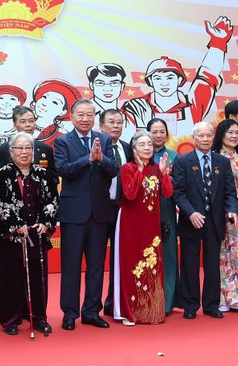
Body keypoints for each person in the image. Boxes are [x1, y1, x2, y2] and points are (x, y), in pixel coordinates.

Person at [54, 99, 119, 331]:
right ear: (71, 117)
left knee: (96, 266)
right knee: (71, 265)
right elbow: (62, 170)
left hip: (100, 213)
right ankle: (69, 313)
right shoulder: (62, 141)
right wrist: (88, 159)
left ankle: (91, 311)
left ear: (94, 118)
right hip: (73, 214)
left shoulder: (104, 140)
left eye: (89, 115)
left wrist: (101, 158)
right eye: (80, 115)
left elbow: (114, 171)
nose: (85, 119)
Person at [0, 132, 58, 335]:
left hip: (36, 235)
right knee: (10, 278)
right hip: (10, 236)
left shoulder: (41, 173)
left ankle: (38, 317)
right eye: (20, 148)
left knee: (38, 278)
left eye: (28, 148)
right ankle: (10, 319)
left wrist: (46, 222)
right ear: (11, 151)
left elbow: (52, 199)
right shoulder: (3, 173)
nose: (25, 152)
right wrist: (16, 224)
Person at [173, 121, 237, 319]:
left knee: (212, 264)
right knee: (189, 264)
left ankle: (211, 305)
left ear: (213, 137)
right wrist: (191, 213)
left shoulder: (222, 162)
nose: (205, 139)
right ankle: (190, 305)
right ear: (194, 139)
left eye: (208, 135)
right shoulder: (183, 161)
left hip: (214, 220)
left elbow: (230, 192)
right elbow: (178, 193)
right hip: (191, 219)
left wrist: (232, 210)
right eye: (200, 136)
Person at [113, 130, 173, 325]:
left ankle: (151, 310)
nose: (147, 148)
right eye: (142, 144)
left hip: (151, 225)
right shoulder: (127, 168)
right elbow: (129, 194)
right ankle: (131, 311)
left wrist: (164, 175)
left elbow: (168, 193)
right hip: (131, 222)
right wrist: (139, 170)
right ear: (134, 148)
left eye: (149, 144)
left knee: (152, 265)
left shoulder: (156, 167)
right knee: (131, 265)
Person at [212, 119, 238, 312]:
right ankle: (222, 297)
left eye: (237, 133)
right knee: (221, 251)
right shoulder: (213, 156)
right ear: (221, 134)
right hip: (218, 206)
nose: (234, 136)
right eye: (230, 132)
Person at [100, 109, 133, 319]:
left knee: (120, 259)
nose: (116, 126)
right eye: (111, 122)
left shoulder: (129, 148)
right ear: (101, 125)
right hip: (100, 208)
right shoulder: (97, 147)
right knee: (96, 261)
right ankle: (90, 307)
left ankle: (115, 304)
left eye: (119, 122)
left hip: (124, 209)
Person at [148, 118, 180, 315]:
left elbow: (179, 184)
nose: (158, 135)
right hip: (144, 210)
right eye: (154, 131)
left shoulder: (175, 156)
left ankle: (167, 302)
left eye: (162, 132)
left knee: (167, 256)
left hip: (166, 208)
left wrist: (166, 177)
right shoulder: (140, 153)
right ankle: (148, 299)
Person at [0, 106, 57, 184]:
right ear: (14, 125)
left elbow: (53, 177)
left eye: (31, 121)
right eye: (23, 122)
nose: (28, 125)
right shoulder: (3, 149)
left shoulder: (46, 149)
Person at [32, 79, 81, 147]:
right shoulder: (18, 127)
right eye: (44, 97)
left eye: (54, 102)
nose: (44, 103)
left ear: (62, 112)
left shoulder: (60, 138)